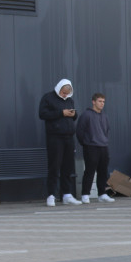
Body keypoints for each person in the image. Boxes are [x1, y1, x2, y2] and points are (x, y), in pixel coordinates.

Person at [39, 79, 81, 207]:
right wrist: (61, 113)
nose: (64, 95)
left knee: (68, 167)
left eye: (67, 93)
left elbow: (74, 116)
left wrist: (74, 114)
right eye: (63, 93)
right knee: (54, 166)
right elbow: (42, 114)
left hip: (69, 137)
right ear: (59, 89)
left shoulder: (69, 100)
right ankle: (51, 195)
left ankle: (67, 194)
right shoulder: (48, 98)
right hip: (55, 137)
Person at [76, 92, 114, 204]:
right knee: (89, 171)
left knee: (103, 171)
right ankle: (85, 194)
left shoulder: (104, 116)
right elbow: (79, 132)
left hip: (103, 147)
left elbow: (106, 131)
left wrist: (104, 141)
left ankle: (102, 194)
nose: (102, 104)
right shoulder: (86, 115)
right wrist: (86, 143)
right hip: (91, 147)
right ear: (93, 101)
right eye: (99, 101)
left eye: (103, 102)